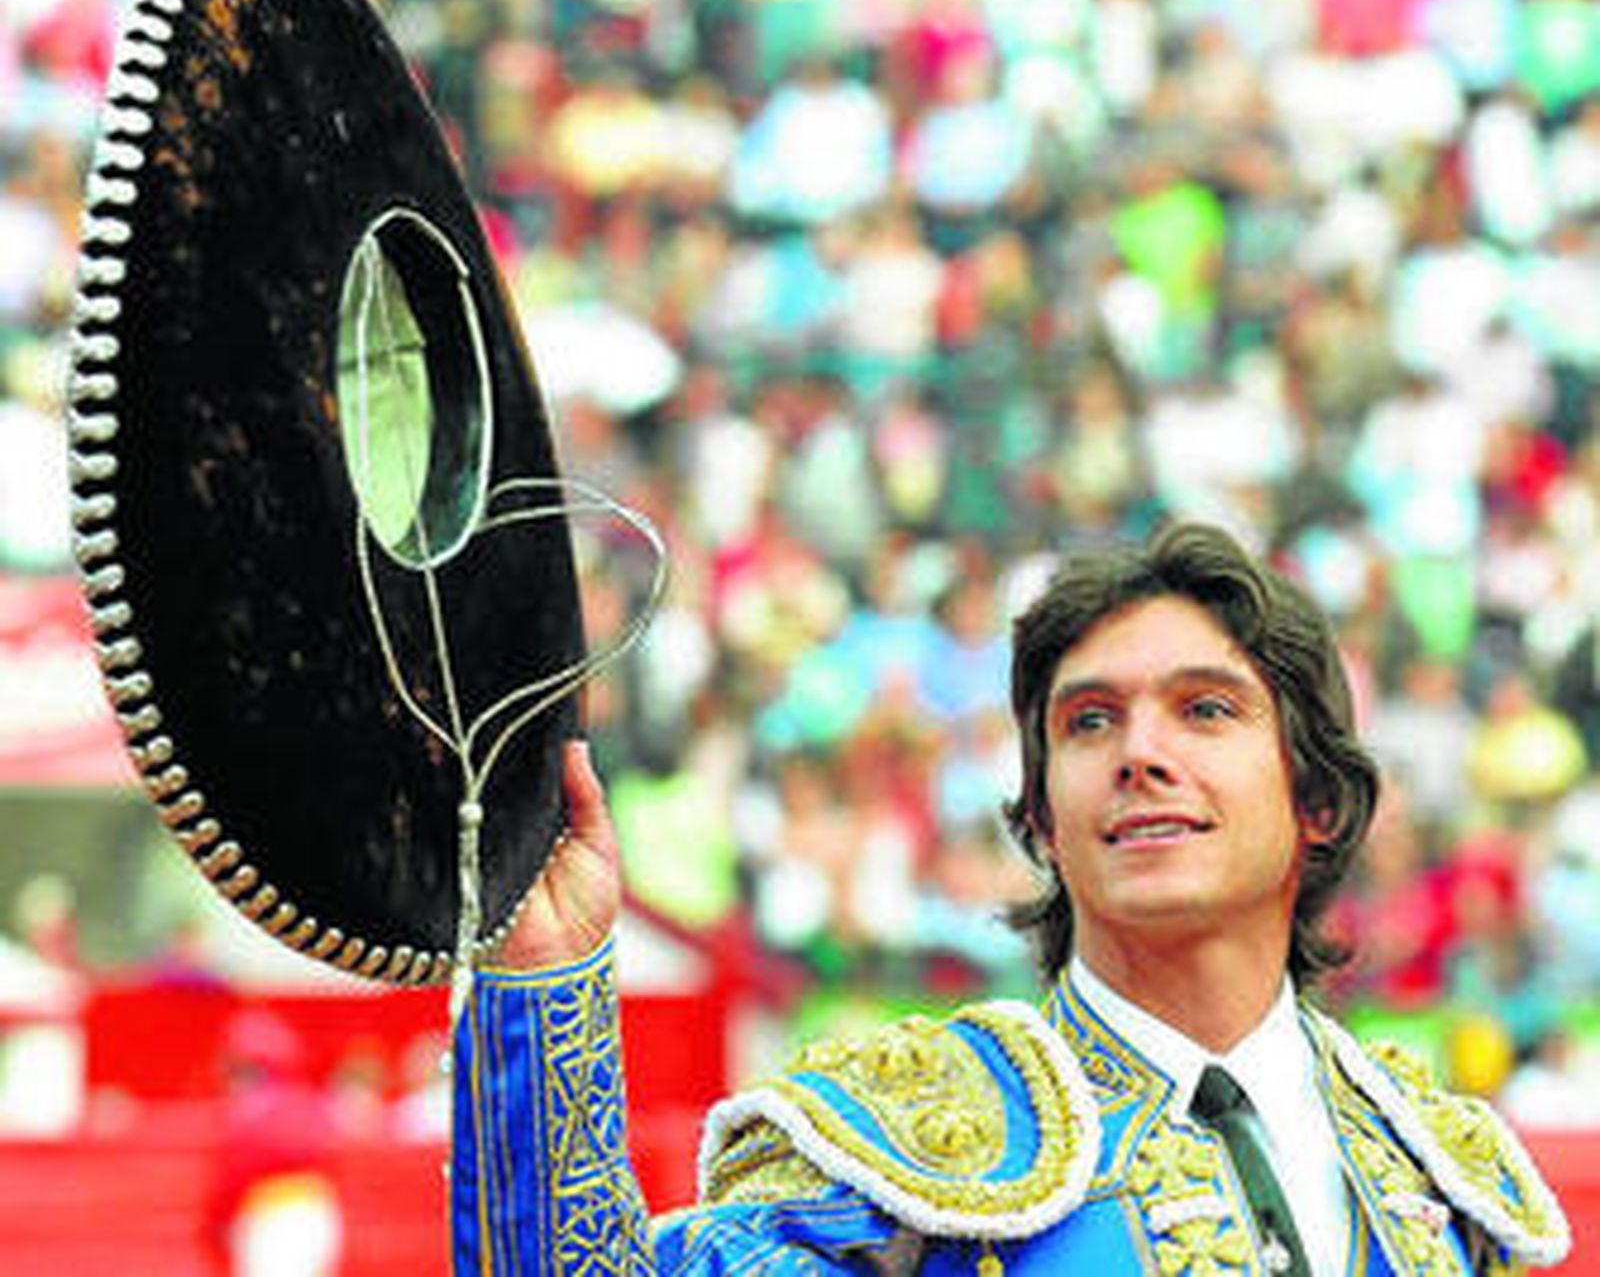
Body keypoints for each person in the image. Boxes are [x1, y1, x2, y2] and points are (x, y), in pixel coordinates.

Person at [450, 521, 1570, 1275]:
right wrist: (541, 982)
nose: (1140, 753)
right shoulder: (906, 1150)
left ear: (1318, 800)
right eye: (1088, 721)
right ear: (1038, 817)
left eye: (1205, 710)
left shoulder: (1440, 1170)